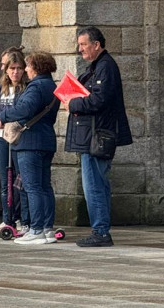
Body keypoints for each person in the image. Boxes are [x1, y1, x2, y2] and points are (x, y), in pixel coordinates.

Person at [64, 26, 133, 247]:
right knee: (97, 184)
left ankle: (101, 232)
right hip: (93, 135)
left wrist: (73, 102)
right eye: (79, 44)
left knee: (94, 185)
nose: (80, 49)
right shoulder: (97, 66)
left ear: (96, 45)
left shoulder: (106, 66)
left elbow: (99, 100)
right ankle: (100, 230)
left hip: (98, 136)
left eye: (84, 44)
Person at [0, 51, 60, 245]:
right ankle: (48, 228)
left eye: (28, 66)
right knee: (44, 186)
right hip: (46, 140)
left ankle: (36, 229)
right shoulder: (51, 85)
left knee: (32, 187)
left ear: (36, 68)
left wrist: (5, 115)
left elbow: (24, 109)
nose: (25, 69)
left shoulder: (35, 87)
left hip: (30, 142)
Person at [0, 47, 30, 236]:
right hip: (2, 137)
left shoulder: (26, 88)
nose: (15, 72)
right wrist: (5, 117)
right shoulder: (0, 88)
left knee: (21, 181)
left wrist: (8, 117)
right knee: (5, 182)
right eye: (12, 69)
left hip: (18, 137)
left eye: (19, 68)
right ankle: (7, 218)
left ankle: (24, 219)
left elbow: (24, 109)